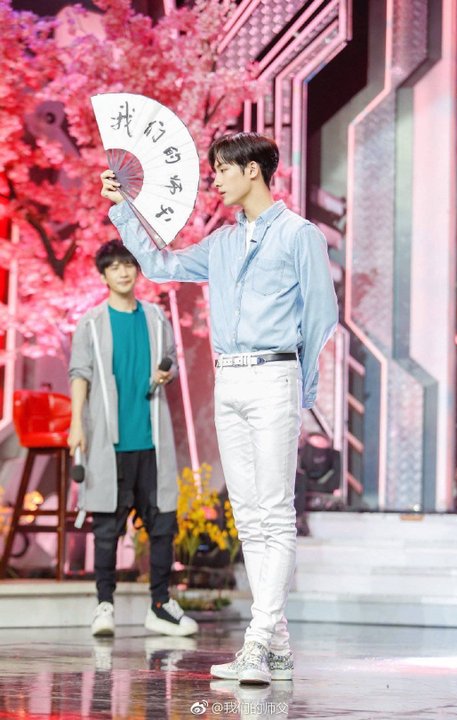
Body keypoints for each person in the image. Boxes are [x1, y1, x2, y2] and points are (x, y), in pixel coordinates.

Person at [100, 131, 338, 684]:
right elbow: (160, 265)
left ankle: (258, 641)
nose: (215, 181)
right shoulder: (223, 242)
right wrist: (123, 209)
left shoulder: (299, 235)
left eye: (222, 171)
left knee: (274, 513)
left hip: (274, 374)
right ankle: (277, 645)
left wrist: (302, 385)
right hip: (229, 380)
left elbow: (322, 315)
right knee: (249, 518)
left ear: (252, 170)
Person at [68, 239, 198, 639]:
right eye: (115, 267)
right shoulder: (91, 323)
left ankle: (160, 605)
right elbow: (80, 374)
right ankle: (104, 606)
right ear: (104, 275)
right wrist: (76, 424)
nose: (124, 272)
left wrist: (166, 374)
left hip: (152, 441)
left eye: (129, 264)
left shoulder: (156, 318)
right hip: (109, 442)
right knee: (106, 527)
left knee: (162, 524)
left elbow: (171, 362)